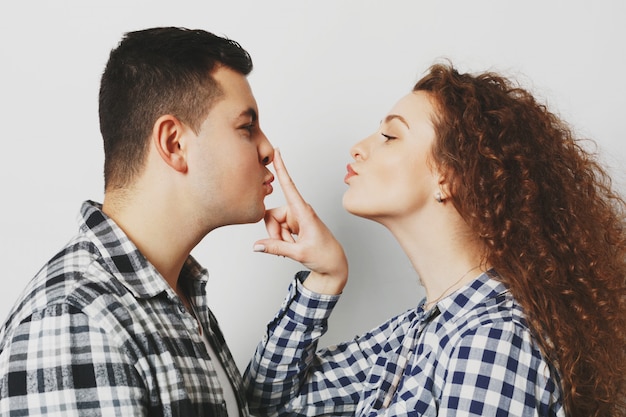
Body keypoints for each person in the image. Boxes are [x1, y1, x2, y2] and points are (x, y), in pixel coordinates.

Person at [244, 62, 626, 416]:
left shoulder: (490, 342)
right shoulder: (421, 329)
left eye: (389, 135)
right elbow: (267, 401)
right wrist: (325, 278)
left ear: (449, 176)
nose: (358, 147)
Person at [0, 27, 276, 416]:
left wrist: (321, 284)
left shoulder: (176, 297)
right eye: (247, 127)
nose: (268, 149)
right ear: (174, 143)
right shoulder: (76, 320)